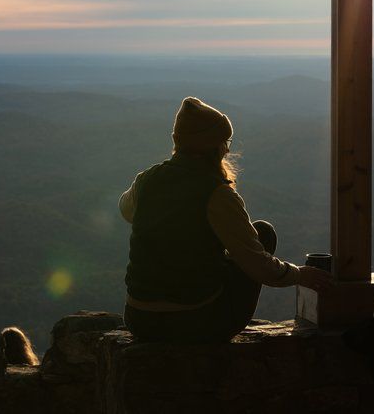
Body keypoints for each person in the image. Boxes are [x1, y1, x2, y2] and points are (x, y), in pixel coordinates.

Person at [119, 96, 332, 343]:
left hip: (139, 319)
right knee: (263, 233)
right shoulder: (216, 194)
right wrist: (299, 275)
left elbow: (127, 212)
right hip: (193, 322)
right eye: (225, 142)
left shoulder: (146, 180)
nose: (228, 149)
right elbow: (258, 266)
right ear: (213, 146)